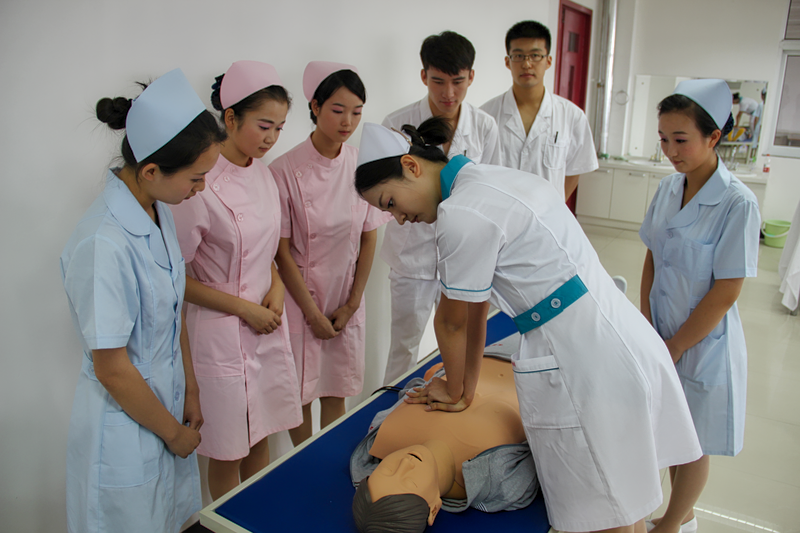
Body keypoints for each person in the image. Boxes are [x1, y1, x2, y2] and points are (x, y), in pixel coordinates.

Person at [354, 118, 706, 533]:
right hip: (618, 328)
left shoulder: (461, 212)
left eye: (390, 203)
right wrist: (464, 386)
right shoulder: (500, 179)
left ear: (412, 166)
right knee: (622, 498)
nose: (398, 218)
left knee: (604, 509)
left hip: (582, 358)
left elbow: (452, 322)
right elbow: (475, 310)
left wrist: (454, 390)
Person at [60, 69, 226, 532]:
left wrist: (191, 390)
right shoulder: (103, 242)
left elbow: (172, 311)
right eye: (196, 178)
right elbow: (112, 367)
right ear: (151, 171)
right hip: (124, 431)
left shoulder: (156, 210)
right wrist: (173, 434)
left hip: (165, 414)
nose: (202, 188)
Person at [169, 61, 302, 500]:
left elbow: (268, 253)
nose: (272, 138)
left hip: (265, 321)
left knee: (261, 435)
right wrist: (245, 308)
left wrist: (277, 288)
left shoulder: (264, 174)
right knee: (228, 450)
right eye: (264, 126)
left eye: (279, 128)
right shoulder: (198, 184)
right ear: (230, 118)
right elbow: (175, 277)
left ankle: (255, 517)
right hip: (220, 331)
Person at [639, 79, 760, 533]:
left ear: (713, 137)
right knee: (672, 430)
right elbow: (652, 256)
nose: (670, 151)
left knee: (693, 441)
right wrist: (647, 325)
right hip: (661, 333)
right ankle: (681, 517)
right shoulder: (668, 189)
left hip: (702, 342)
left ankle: (672, 525)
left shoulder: (737, 203)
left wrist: (674, 346)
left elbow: (726, 291)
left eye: (681, 139)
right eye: (663, 139)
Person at [271, 61, 390, 446]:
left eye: (356, 112)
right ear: (315, 106)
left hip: (345, 298)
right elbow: (281, 252)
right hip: (300, 299)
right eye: (338, 110)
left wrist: (353, 303)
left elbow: (369, 236)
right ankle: (302, 466)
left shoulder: (360, 164)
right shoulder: (284, 170)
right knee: (301, 394)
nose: (347, 122)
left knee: (337, 390)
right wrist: (311, 313)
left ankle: (333, 459)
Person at [380, 31, 500, 386]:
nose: (448, 93)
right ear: (424, 76)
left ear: (471, 77)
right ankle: (390, 412)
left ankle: (459, 397)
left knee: (463, 340)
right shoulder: (396, 125)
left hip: (463, 254)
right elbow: (386, 193)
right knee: (404, 347)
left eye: (458, 82)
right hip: (411, 256)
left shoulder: (484, 127)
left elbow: (489, 193)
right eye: (438, 81)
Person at [351, 356, 538, 532]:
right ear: (433, 509)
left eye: (387, 470)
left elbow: (411, 390)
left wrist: (442, 374)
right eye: (409, 482)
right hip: (537, 365)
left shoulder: (384, 435)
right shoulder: (495, 478)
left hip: (476, 354)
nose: (405, 463)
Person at [480, 20, 597, 202]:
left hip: (547, 214)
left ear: (548, 61)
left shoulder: (572, 116)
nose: (527, 64)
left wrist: (554, 205)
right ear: (507, 62)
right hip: (500, 213)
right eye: (518, 56)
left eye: (535, 56)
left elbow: (576, 169)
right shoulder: (486, 115)